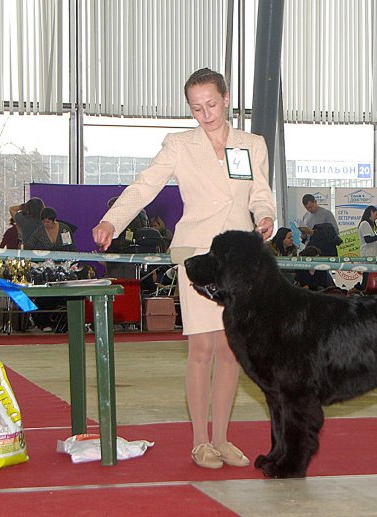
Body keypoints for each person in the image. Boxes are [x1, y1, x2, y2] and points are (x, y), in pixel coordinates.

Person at [91, 68, 275, 470]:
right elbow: (144, 185)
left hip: (239, 256)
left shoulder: (252, 143)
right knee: (202, 347)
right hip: (196, 252)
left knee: (230, 351)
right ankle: (200, 442)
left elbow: (260, 192)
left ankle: (223, 440)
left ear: (226, 98)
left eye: (211, 104)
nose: (205, 114)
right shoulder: (179, 144)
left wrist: (265, 216)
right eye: (196, 108)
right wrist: (113, 220)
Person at [358, 206, 377, 289]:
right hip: (367, 254)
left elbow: (371, 239)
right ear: (371, 212)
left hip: (371, 254)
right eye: (376, 214)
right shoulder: (364, 224)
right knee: (367, 277)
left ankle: (365, 290)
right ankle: (364, 290)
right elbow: (367, 239)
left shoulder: (370, 226)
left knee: (368, 276)